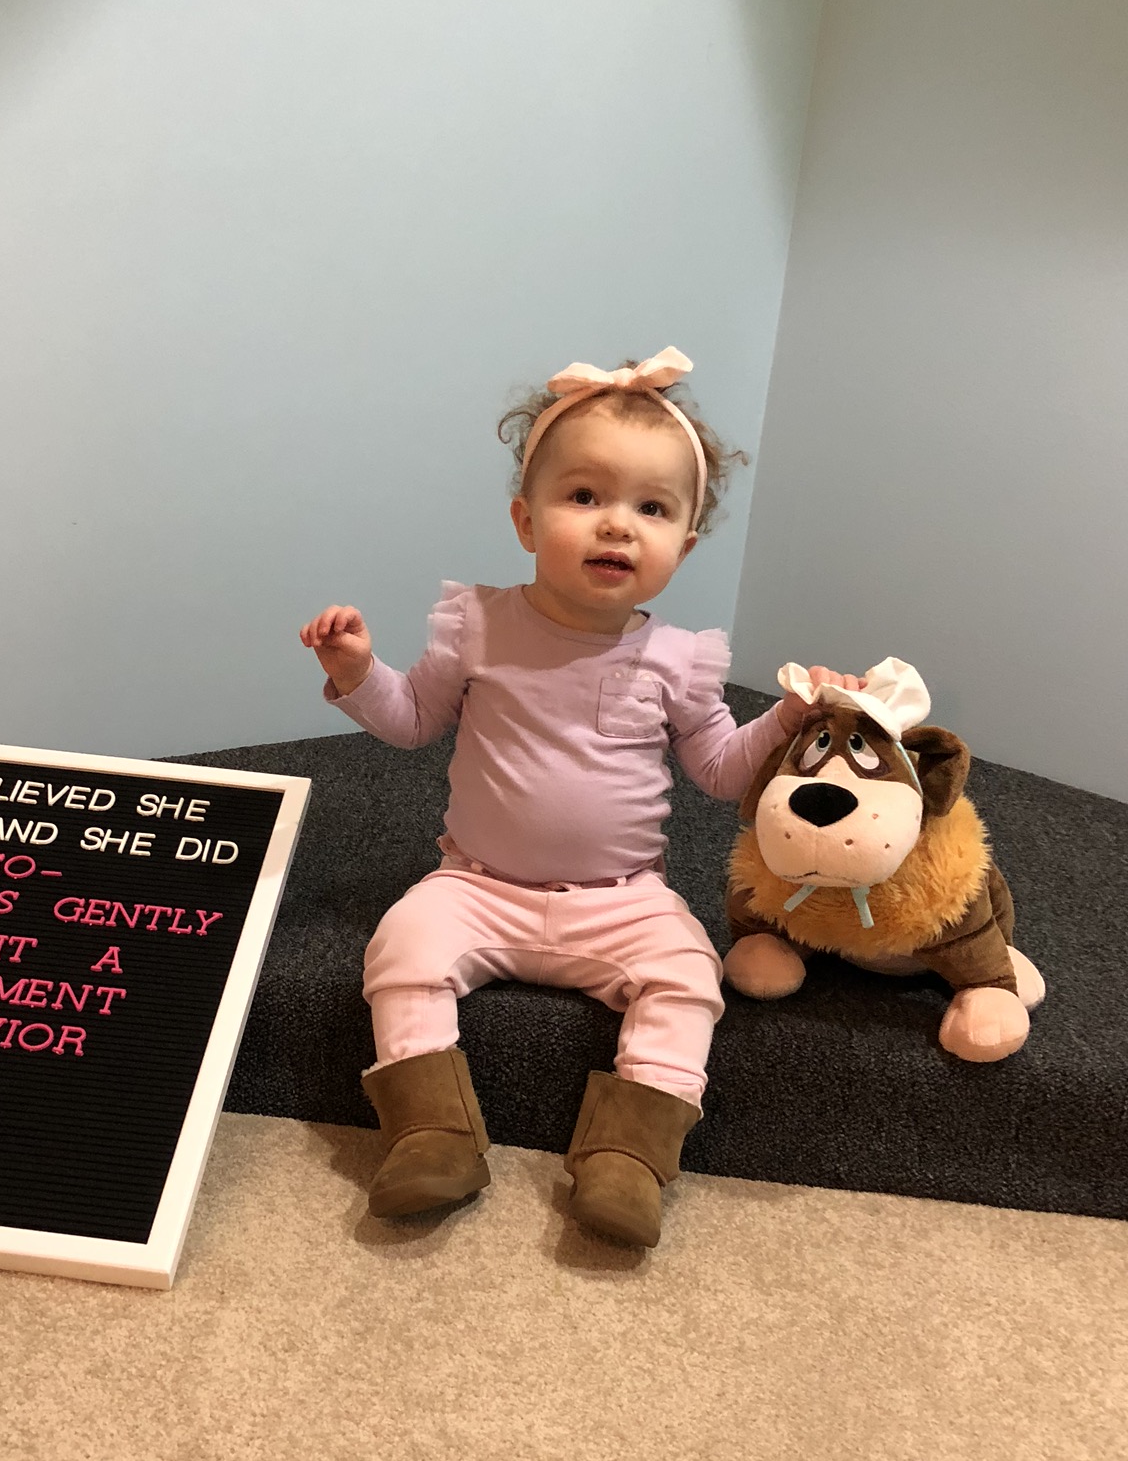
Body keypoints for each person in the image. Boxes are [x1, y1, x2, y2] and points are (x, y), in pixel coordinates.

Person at [300, 349, 853, 1247]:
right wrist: (360, 673)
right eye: (584, 497)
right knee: (402, 947)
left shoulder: (679, 658)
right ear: (525, 520)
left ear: (685, 544)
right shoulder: (477, 623)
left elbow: (718, 768)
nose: (618, 527)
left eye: (652, 509)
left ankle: (629, 1157)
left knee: (687, 976)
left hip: (621, 898)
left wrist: (791, 717)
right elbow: (411, 721)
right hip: (476, 884)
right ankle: (431, 1133)